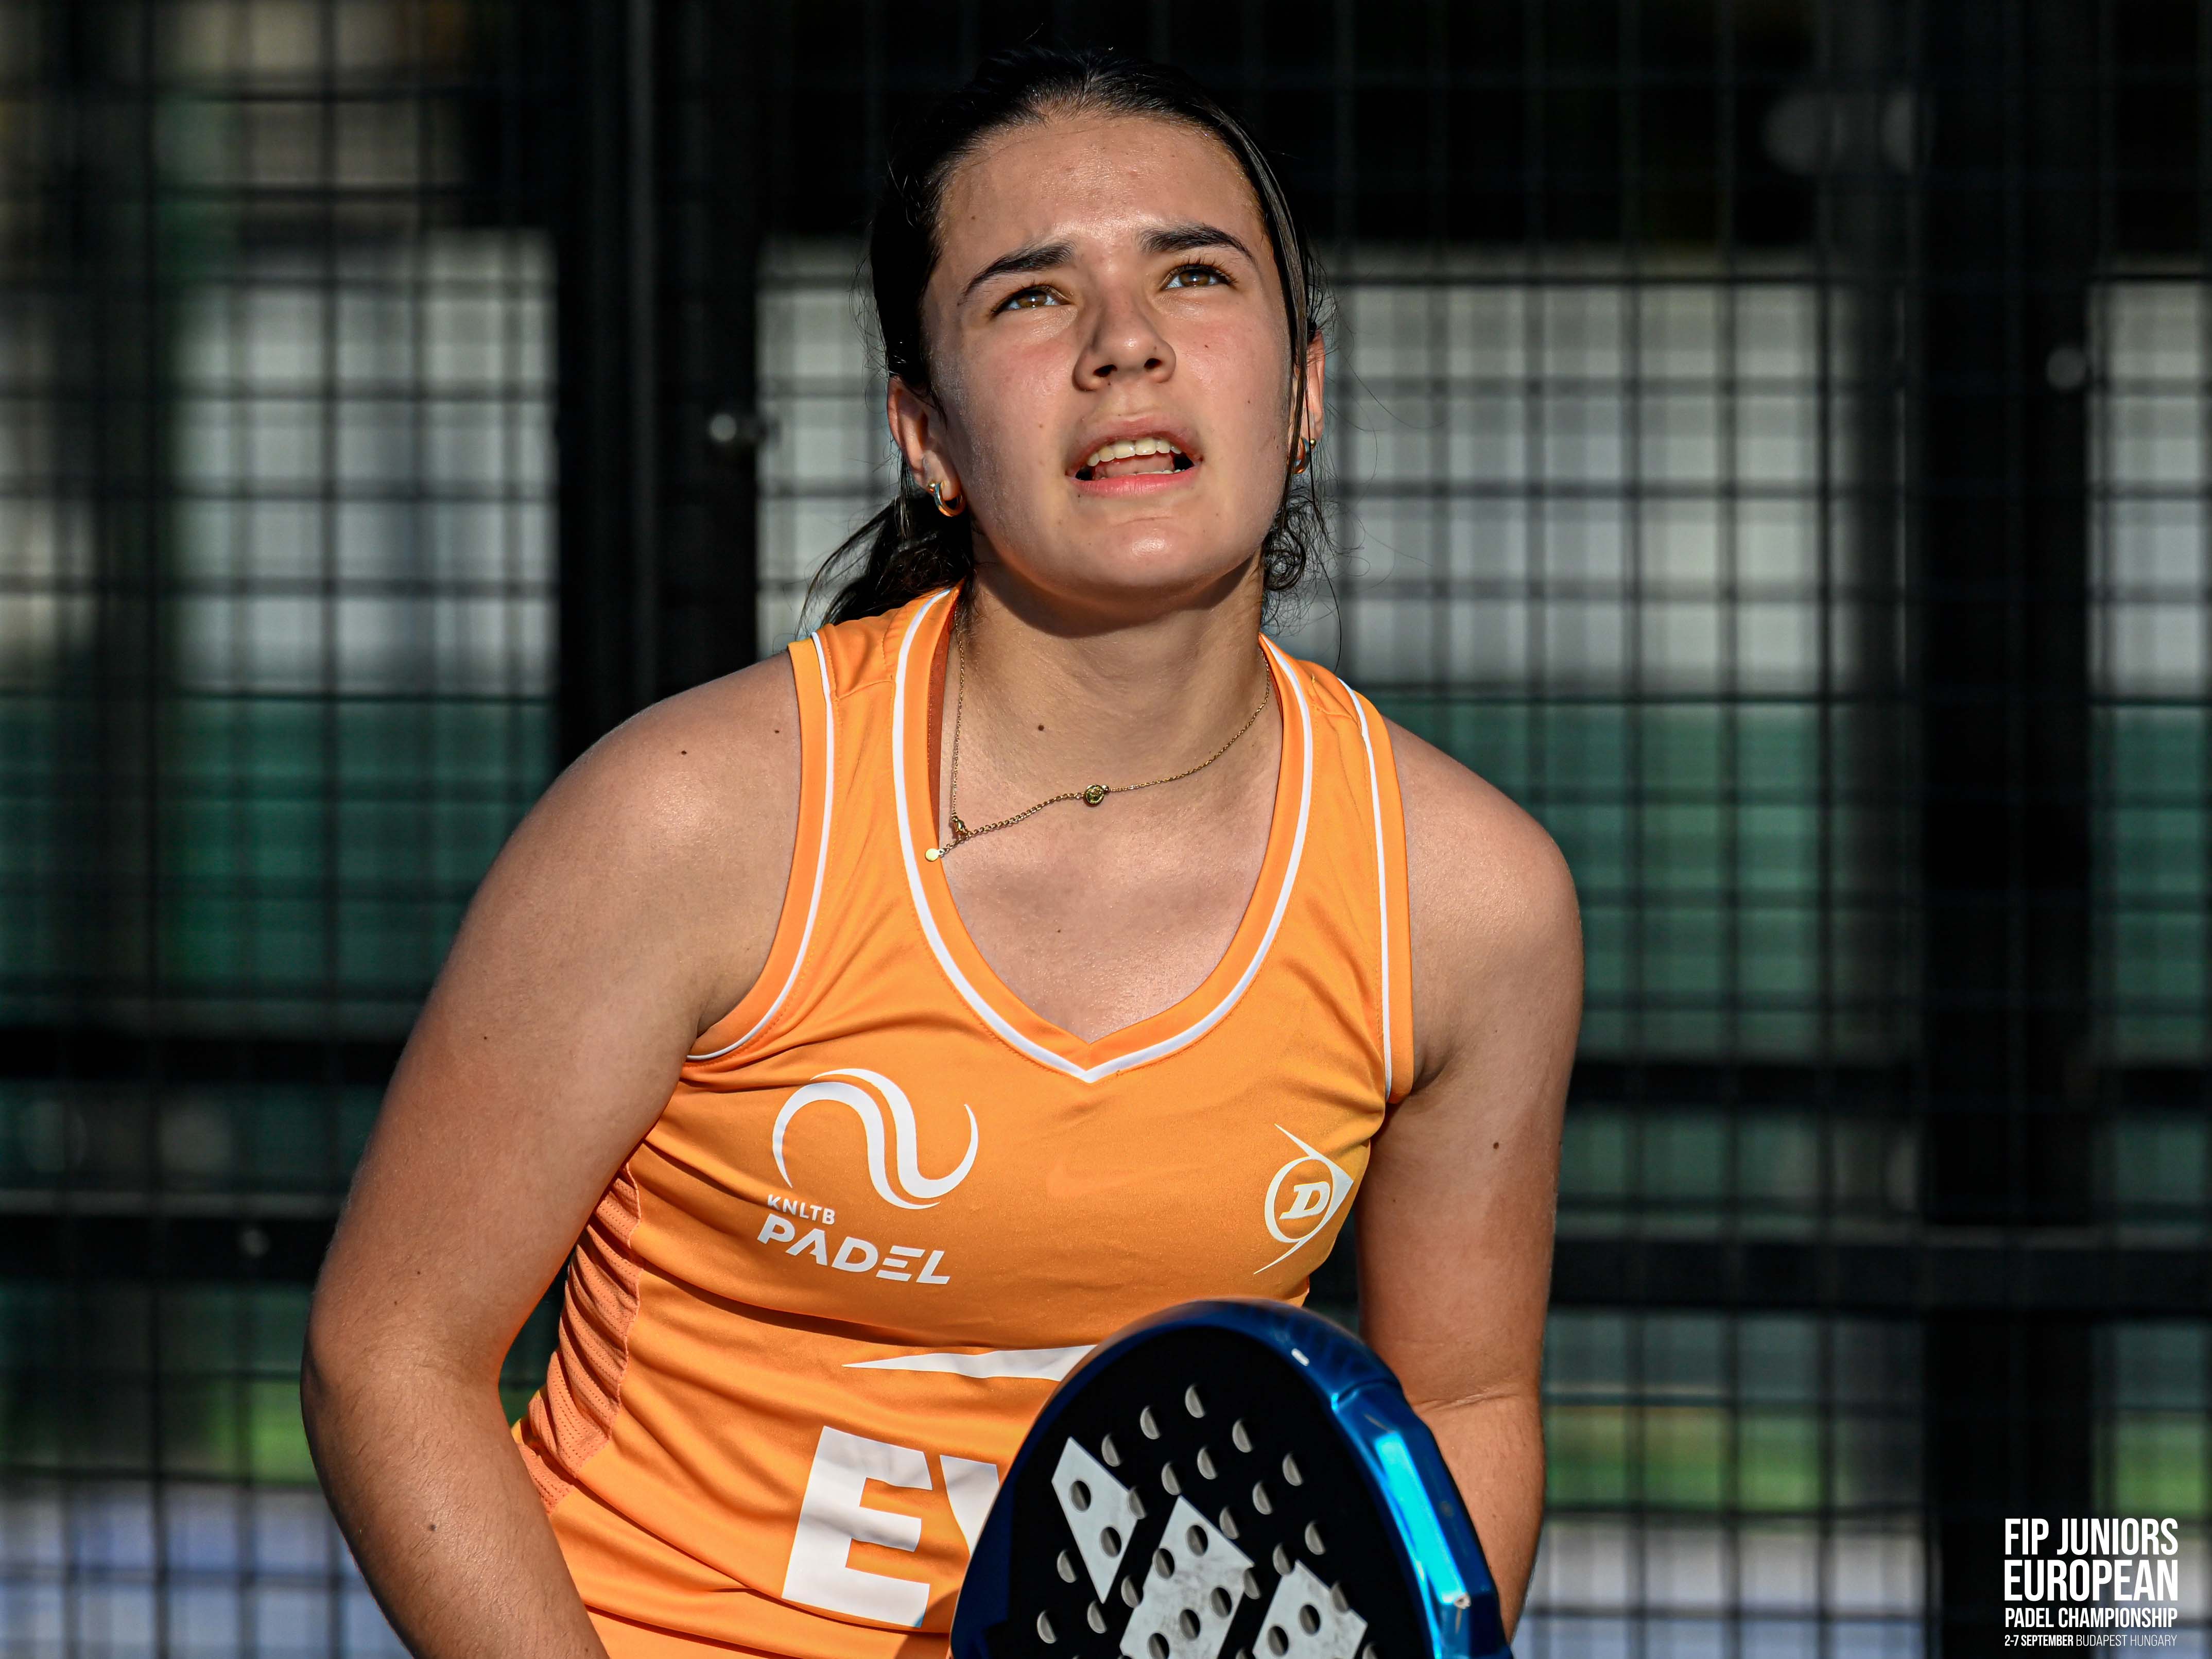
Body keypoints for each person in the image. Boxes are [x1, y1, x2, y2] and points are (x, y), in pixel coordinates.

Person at [301, 45, 1579, 1659]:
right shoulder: (695, 821)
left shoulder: (1466, 902)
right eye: (1033, 296)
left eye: (1194, 274)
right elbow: (388, 1354)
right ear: (928, 435)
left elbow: (1464, 1409)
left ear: (1306, 389)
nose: (1125, 342)